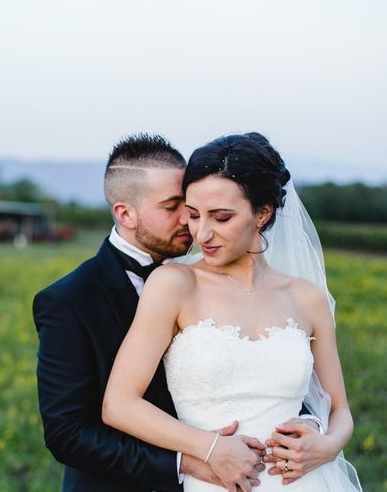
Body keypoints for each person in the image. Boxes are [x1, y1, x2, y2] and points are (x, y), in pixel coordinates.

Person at [33, 134, 331, 491]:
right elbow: (69, 433)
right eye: (176, 208)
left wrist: (312, 428)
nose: (192, 225)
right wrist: (190, 461)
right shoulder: (69, 300)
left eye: (196, 209)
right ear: (126, 213)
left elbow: (267, 376)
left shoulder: (235, 276)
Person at [101, 133, 361, 491]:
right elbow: (118, 404)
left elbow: (339, 410)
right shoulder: (174, 284)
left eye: (221, 218)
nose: (202, 233)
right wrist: (209, 447)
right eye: (193, 215)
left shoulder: (307, 298)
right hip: (213, 482)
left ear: (263, 213)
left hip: (305, 481)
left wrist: (327, 446)